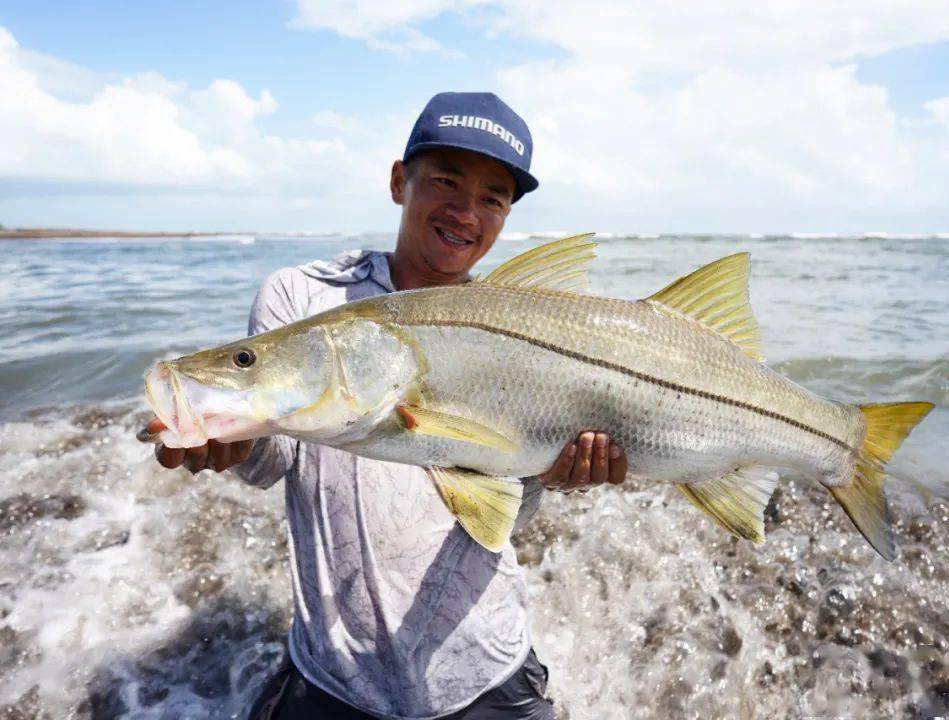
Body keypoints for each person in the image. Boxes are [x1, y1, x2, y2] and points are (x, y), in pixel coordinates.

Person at [149, 92, 628, 720]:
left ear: (508, 215)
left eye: (493, 197)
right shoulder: (303, 297)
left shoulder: (526, 329)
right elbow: (271, 461)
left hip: (485, 668)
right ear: (400, 181)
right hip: (335, 676)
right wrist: (234, 438)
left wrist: (553, 474)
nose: (465, 212)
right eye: (446, 180)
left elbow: (504, 513)